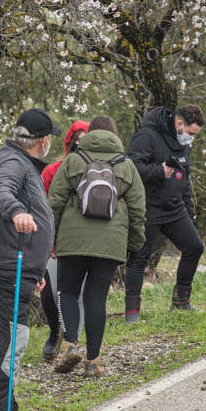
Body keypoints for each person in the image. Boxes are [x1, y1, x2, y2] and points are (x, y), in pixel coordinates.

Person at [0, 108, 57, 411]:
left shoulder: (23, 163)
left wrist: (35, 271)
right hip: (6, 265)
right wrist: (16, 212)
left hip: (18, 266)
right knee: (10, 341)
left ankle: (6, 410)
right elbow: (0, 193)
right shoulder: (13, 162)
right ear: (44, 141)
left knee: (13, 338)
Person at [48, 115, 146, 376]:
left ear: (89, 134)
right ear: (114, 134)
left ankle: (70, 344)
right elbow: (138, 209)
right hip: (110, 242)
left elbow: (54, 202)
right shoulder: (126, 165)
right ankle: (93, 362)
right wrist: (135, 244)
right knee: (96, 298)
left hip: (73, 240)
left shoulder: (73, 160)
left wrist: (51, 239)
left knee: (68, 291)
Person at [124, 104, 206, 322]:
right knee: (139, 258)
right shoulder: (147, 136)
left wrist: (188, 212)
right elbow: (130, 167)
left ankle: (181, 300)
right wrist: (158, 171)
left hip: (175, 208)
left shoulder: (182, 143)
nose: (191, 139)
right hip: (148, 207)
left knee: (194, 247)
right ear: (179, 124)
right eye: (190, 133)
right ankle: (132, 310)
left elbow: (184, 180)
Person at [39, 120, 89, 360]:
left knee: (76, 294)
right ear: (70, 144)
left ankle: (73, 342)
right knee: (50, 294)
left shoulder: (101, 172)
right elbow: (44, 207)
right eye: (76, 142)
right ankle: (54, 330)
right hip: (55, 244)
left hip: (85, 244)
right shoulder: (51, 171)